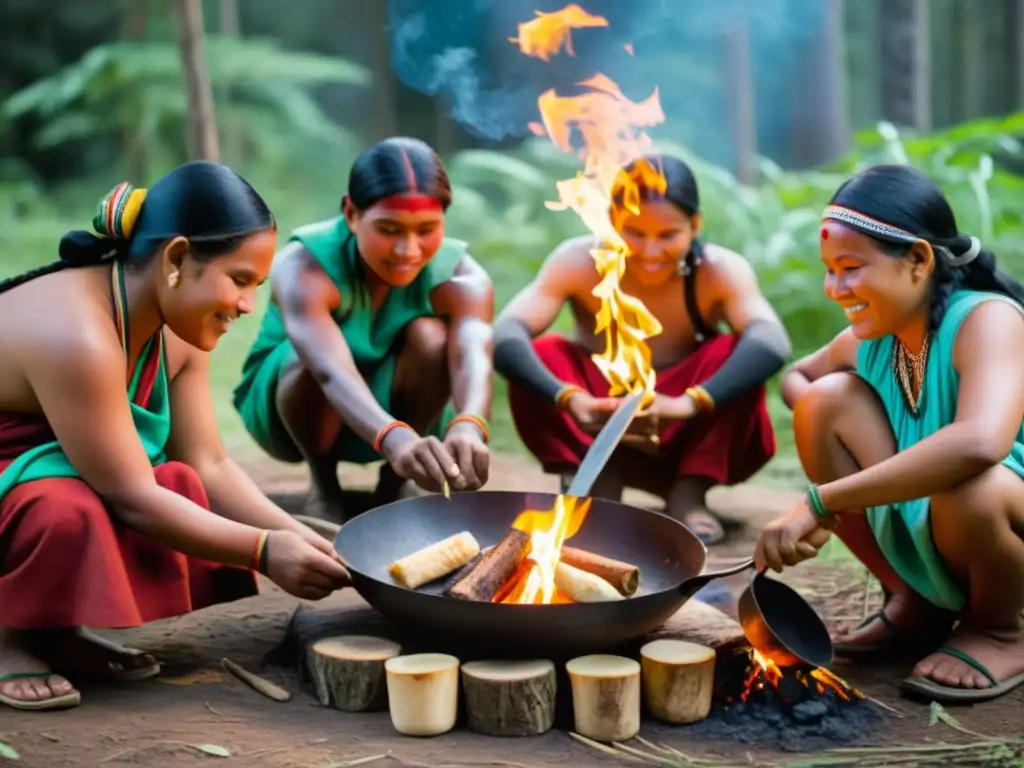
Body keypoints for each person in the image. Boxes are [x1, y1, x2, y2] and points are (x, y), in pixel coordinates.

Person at [0, 162, 352, 712]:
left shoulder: (176, 331)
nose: (246, 306)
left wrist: (308, 541)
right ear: (177, 258)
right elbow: (134, 499)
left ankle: (54, 631)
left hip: (52, 477)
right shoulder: (78, 336)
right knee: (65, 508)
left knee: (180, 482)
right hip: (17, 486)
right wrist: (264, 551)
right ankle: (9, 638)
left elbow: (209, 463)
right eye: (239, 280)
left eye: (256, 287)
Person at [755, 164, 1024, 703]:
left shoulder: (987, 321)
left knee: (969, 482)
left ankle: (1000, 629)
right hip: (937, 518)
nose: (835, 289)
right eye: (829, 271)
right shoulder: (871, 340)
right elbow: (798, 378)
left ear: (919, 260)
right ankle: (914, 600)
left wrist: (821, 501)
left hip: (997, 515)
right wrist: (839, 430)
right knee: (823, 403)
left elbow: (979, 444)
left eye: (851, 268)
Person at [494, 154, 791, 544]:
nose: (650, 252)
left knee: (736, 352)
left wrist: (689, 402)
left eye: (668, 235)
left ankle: (689, 494)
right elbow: (505, 335)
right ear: (611, 222)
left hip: (685, 425)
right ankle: (597, 483)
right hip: (596, 418)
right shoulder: (577, 260)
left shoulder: (720, 270)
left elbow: (771, 342)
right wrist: (569, 399)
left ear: (695, 225)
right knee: (546, 352)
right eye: (634, 232)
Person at [233, 137, 494, 522]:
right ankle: (323, 482)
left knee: (433, 337)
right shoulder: (304, 265)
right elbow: (328, 370)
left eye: (427, 229)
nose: (408, 250)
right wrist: (393, 438)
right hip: (292, 410)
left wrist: (469, 424)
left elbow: (473, 352)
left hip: (401, 412)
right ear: (351, 214)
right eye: (389, 229)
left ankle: (393, 484)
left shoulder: (462, 278)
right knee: (306, 358)